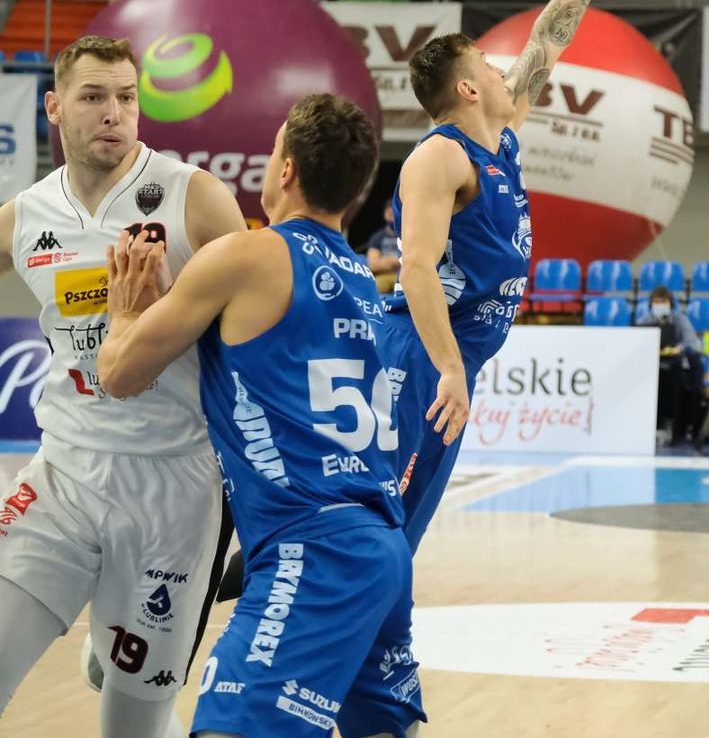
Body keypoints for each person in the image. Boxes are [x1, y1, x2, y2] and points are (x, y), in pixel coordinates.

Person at [335, 0, 653, 735]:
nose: (508, 73)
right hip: (418, 362)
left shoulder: (498, 136)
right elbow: (416, 267)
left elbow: (550, 39)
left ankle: (369, 695)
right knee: (381, 537)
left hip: (447, 361)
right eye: (489, 66)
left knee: (396, 537)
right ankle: (357, 695)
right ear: (468, 89)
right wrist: (444, 366)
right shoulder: (438, 159)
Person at [96, 93, 424, 738]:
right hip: (381, 541)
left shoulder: (249, 255)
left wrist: (127, 309)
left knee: (230, 727)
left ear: (286, 170)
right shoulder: (360, 275)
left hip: (315, 546)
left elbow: (118, 373)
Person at [0, 36, 246, 736]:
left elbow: (263, 321)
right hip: (65, 474)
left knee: (129, 728)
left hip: (173, 491)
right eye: (94, 96)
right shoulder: (25, 216)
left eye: (127, 97)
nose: (115, 112)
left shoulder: (193, 199)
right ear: (53, 107)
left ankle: (114, 648)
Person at [636, 285, 704, 448]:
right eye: (656, 301)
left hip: (675, 367)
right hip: (650, 369)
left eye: (663, 301)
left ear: (670, 303)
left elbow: (694, 343)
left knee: (674, 382)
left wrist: (679, 348)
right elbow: (636, 341)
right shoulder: (646, 320)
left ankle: (673, 428)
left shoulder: (680, 319)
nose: (660, 304)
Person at [366, 200, 402, 294]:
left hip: (404, 275)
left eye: (393, 211)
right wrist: (398, 261)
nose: (390, 213)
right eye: (388, 210)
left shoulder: (407, 235)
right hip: (384, 276)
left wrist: (385, 262)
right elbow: (373, 265)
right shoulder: (378, 237)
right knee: (375, 286)